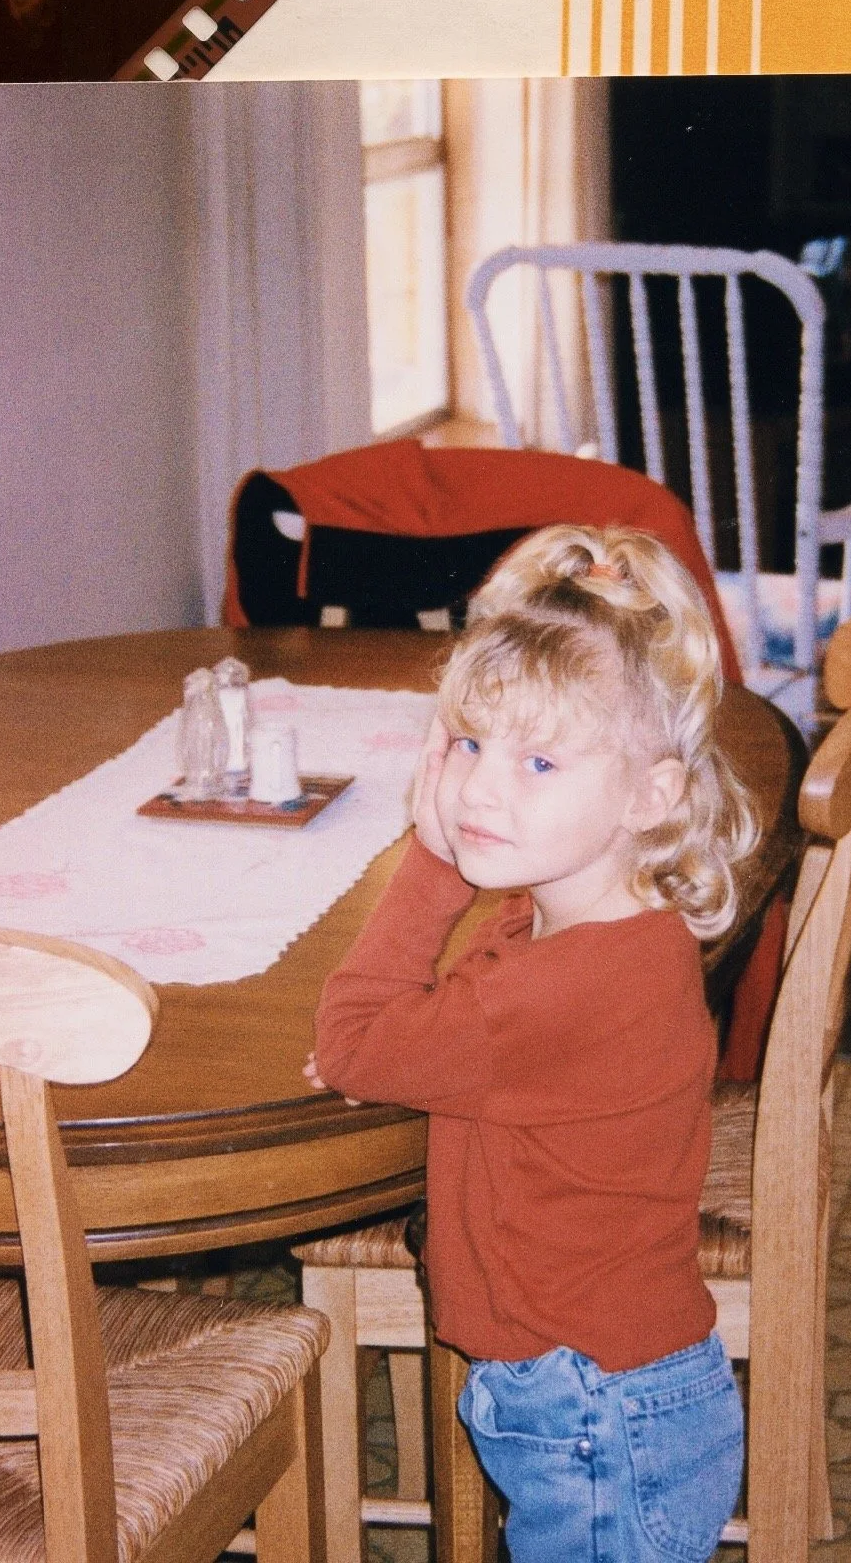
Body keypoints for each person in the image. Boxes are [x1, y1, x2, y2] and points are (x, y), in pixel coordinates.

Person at [306, 523, 759, 1563]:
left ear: (650, 794)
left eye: (539, 759)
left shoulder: (555, 986)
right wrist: (406, 1049)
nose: (477, 788)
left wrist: (432, 865)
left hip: (592, 1409)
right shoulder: (587, 924)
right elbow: (429, 1036)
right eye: (468, 742)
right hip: (607, 1391)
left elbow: (355, 1039)